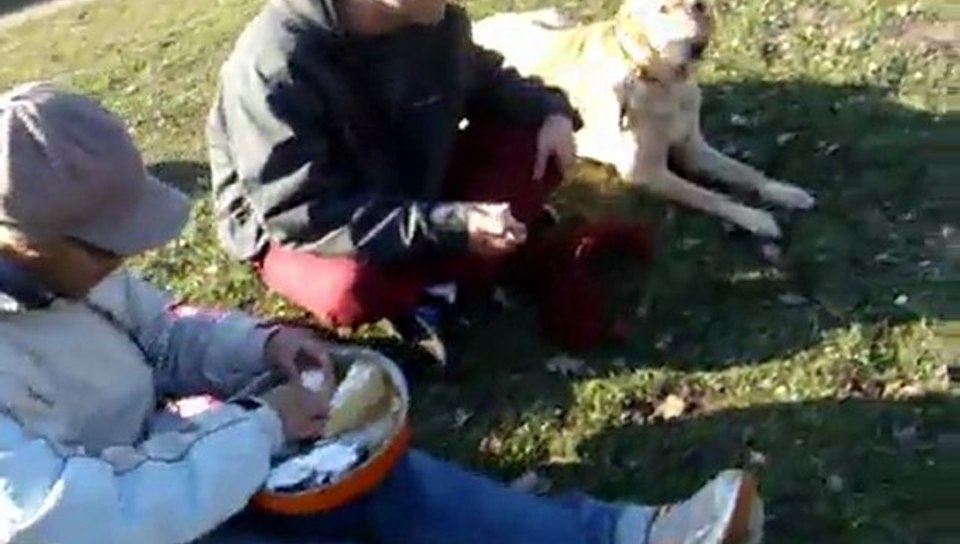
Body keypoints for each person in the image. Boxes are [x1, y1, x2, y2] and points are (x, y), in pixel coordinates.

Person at [0, 80, 763, 544]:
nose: (121, 261)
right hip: (124, 522)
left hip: (173, 464)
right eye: (104, 246)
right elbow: (74, 516)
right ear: (20, 240)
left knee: (365, 481)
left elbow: (157, 330)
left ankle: (616, 534)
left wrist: (260, 349)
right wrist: (257, 428)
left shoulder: (67, 272)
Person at [206, 0, 584, 363]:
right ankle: (450, 275)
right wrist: (451, 223)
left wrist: (550, 110)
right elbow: (302, 213)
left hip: (408, 186)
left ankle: (441, 281)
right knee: (352, 290)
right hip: (312, 222)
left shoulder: (432, 20)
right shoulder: (273, 70)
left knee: (536, 144)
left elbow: (487, 81)